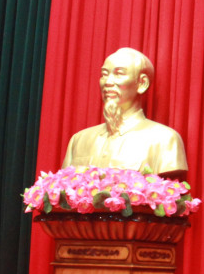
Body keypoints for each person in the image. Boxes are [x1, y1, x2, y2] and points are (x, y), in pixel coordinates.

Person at [62, 47, 188, 179]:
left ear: (142, 83)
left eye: (119, 74)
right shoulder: (79, 140)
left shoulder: (164, 139)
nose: (108, 82)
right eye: (104, 74)